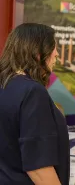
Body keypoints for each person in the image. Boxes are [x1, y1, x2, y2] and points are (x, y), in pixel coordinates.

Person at [0, 23, 70, 184]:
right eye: (53, 48)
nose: (57, 54)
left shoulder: (6, 84)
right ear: (38, 53)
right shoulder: (32, 92)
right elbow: (38, 167)